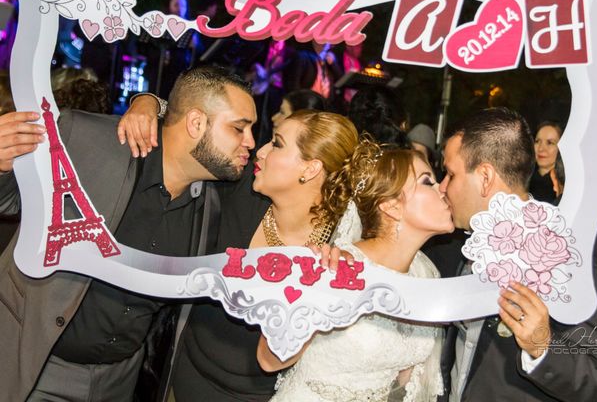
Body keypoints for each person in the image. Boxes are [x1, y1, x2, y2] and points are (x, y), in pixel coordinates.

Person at [0, 65, 256, 401]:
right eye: (239, 129)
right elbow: (9, 202)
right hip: (34, 363)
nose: (251, 142)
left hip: (119, 381)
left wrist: (151, 101)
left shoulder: (215, 199)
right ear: (195, 123)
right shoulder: (88, 137)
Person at [118, 99, 359, 401]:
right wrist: (149, 103)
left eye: (277, 144)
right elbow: (196, 132)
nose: (261, 151)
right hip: (178, 379)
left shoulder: (335, 250)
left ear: (310, 169)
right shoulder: (242, 189)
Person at [438, 107, 597, 401]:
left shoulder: (566, 257)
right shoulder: (455, 247)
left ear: (485, 177)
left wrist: (543, 348)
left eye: (450, 174)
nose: (442, 186)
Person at [257, 143, 452, 401]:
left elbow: (406, 378)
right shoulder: (334, 267)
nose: (443, 189)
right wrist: (318, 296)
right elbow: (268, 360)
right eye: (428, 182)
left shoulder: (425, 276)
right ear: (391, 205)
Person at [529, 121, 564, 204]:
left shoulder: (565, 185)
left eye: (550, 143)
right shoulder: (522, 179)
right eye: (537, 141)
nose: (541, 149)